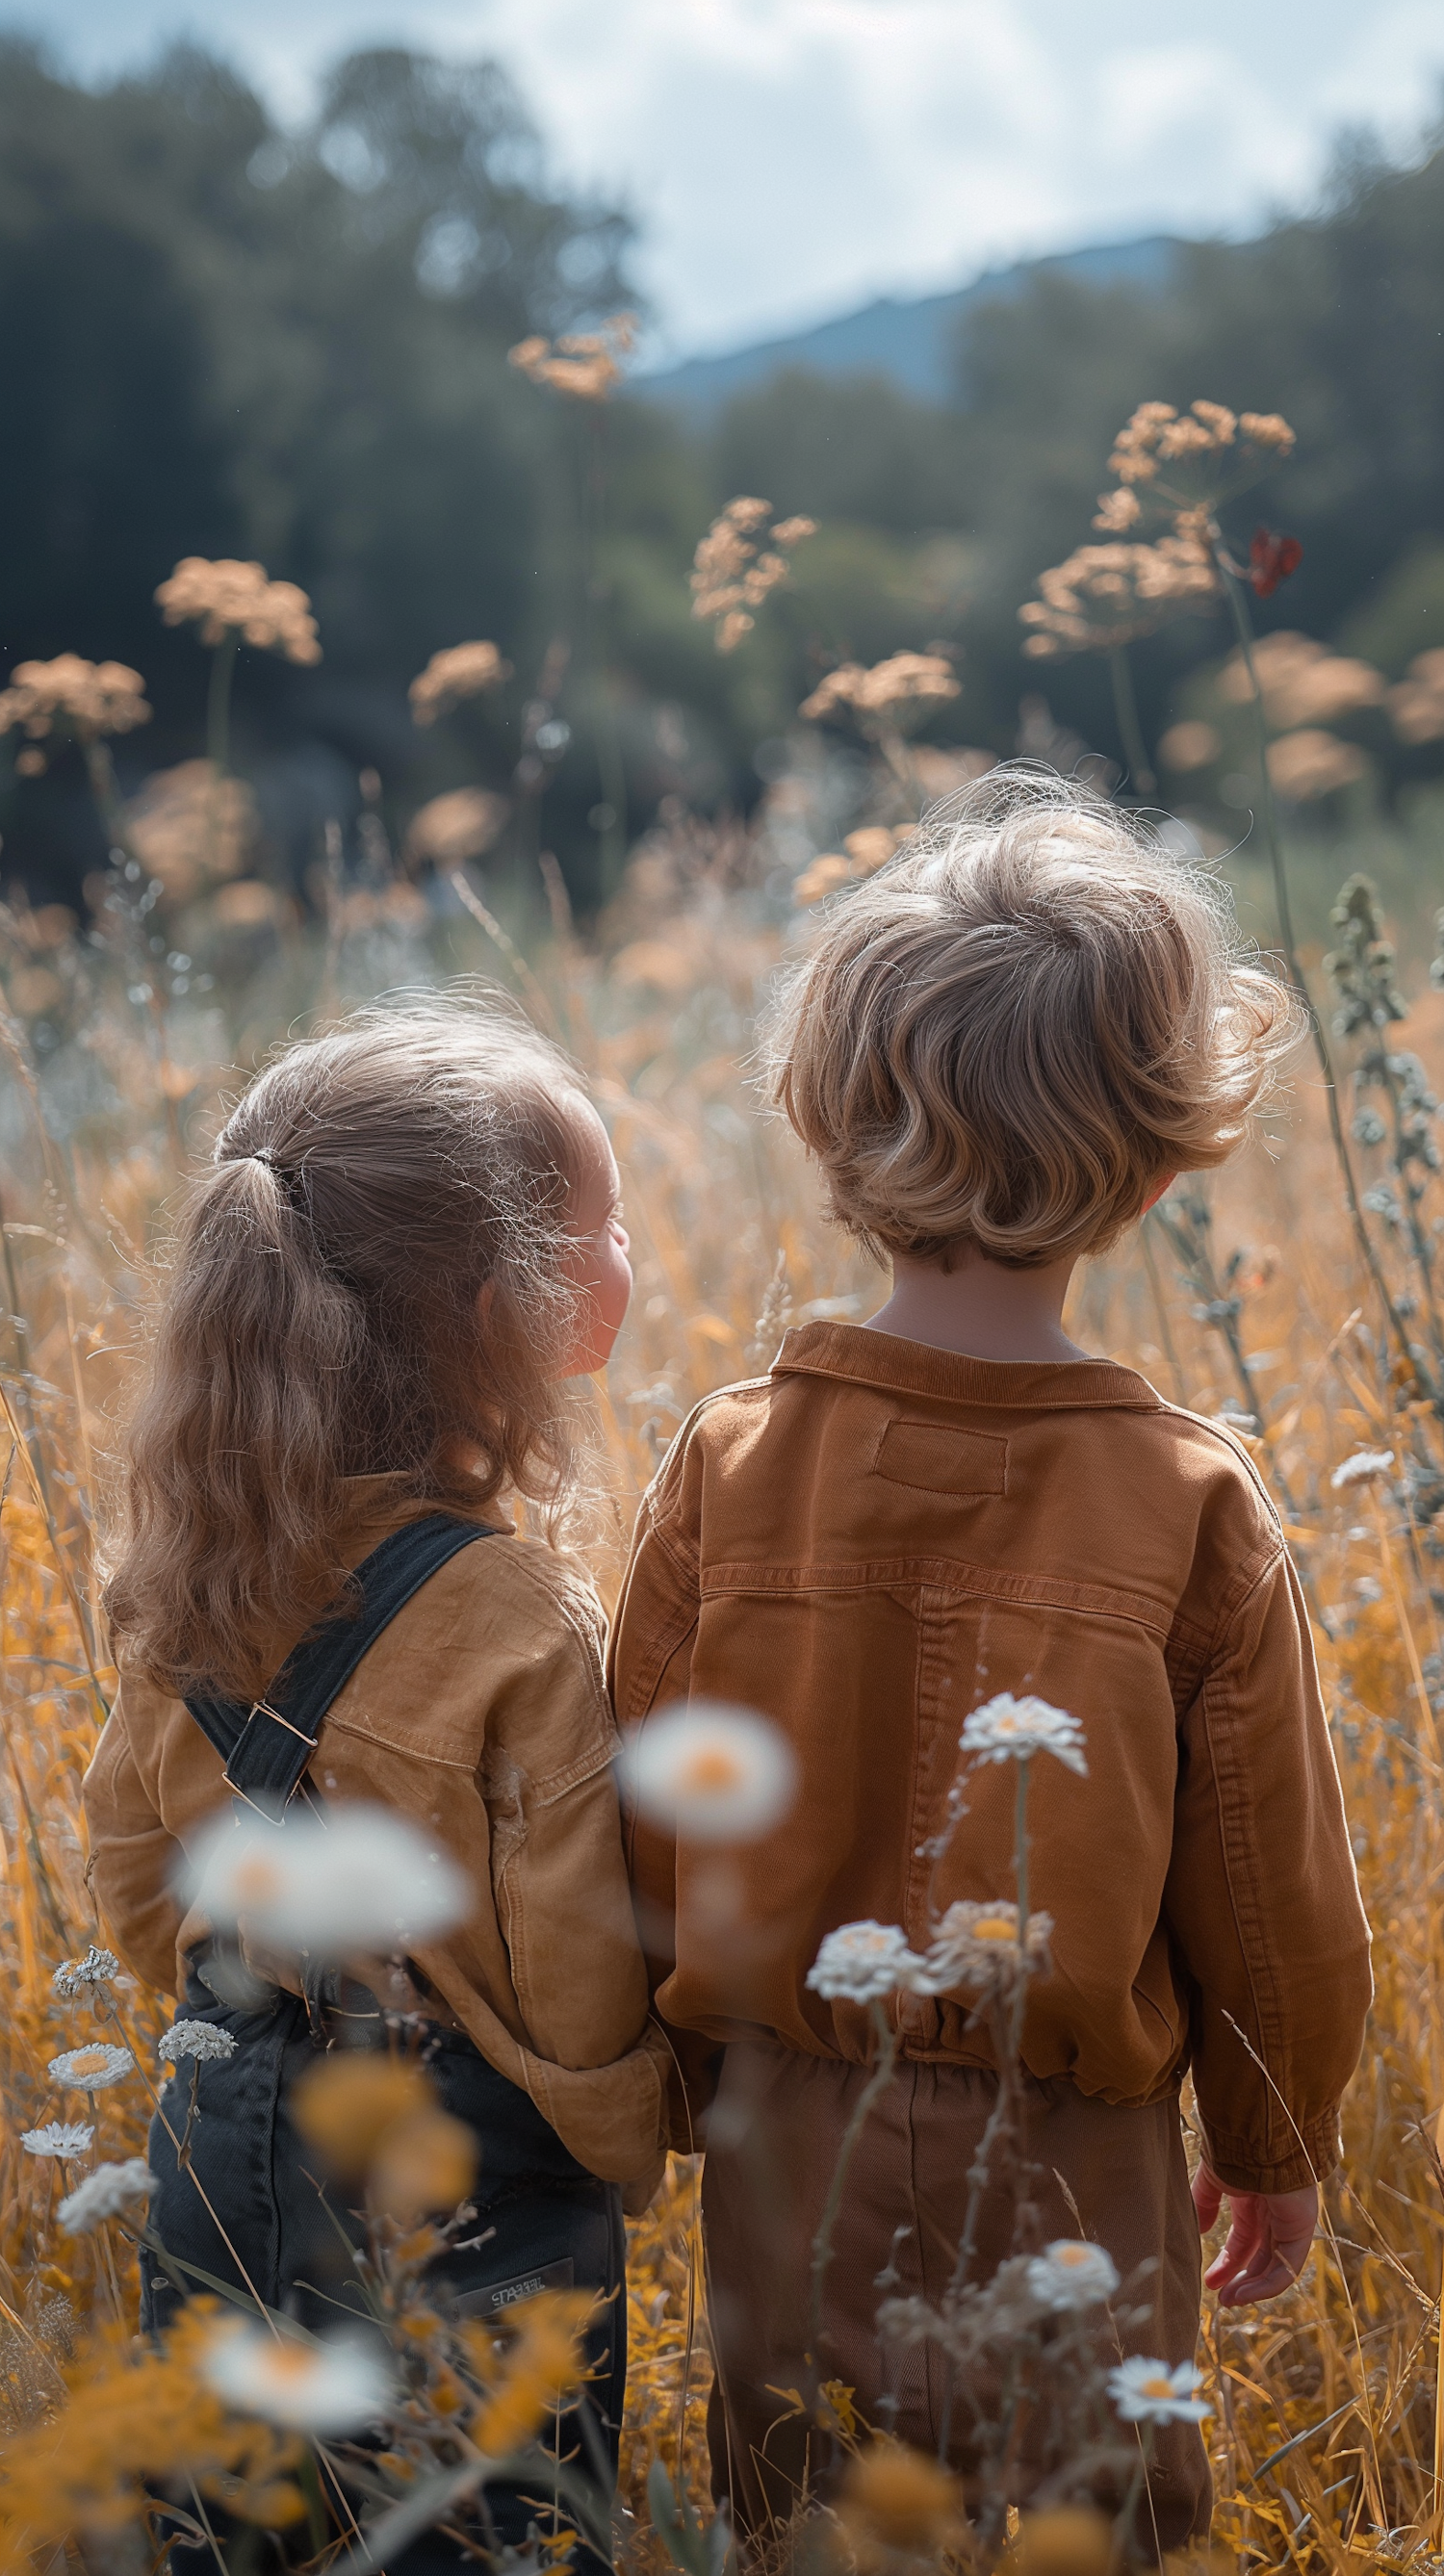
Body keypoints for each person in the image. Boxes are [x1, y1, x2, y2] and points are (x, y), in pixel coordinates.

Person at [610, 772, 1372, 2551]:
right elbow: (1273, 1902)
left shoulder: (730, 1461)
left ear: (828, 1113)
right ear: (1165, 1146)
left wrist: (657, 2083)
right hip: (1076, 2155)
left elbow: (632, 1809)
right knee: (1085, 2516)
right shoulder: (1187, 1500)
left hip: (780, 2138)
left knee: (810, 2513)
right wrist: (1273, 2142)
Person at [84, 995, 664, 2571]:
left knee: (220, 2530)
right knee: (482, 2536)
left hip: (220, 2137)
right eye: (605, 1228)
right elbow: (572, 1970)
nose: (628, 1257)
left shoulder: (187, 1577)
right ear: (504, 1308)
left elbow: (136, 1884)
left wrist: (244, 2028)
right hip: (467, 2192)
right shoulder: (510, 1615)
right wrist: (624, 2136)